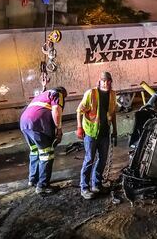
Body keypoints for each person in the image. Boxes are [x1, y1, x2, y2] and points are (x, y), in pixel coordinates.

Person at [77, 71, 118, 199]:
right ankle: (84, 188)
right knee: (89, 159)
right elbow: (79, 110)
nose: (106, 83)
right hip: (91, 133)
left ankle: (97, 184)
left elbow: (113, 114)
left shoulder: (112, 94)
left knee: (102, 159)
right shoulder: (91, 93)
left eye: (108, 81)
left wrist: (115, 131)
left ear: (111, 82)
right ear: (99, 81)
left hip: (105, 133)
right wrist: (79, 127)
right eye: (103, 81)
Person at [20, 86, 67, 194]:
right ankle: (42, 186)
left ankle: (33, 179)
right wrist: (59, 130)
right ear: (63, 94)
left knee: (35, 151)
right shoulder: (57, 94)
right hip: (37, 124)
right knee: (46, 155)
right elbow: (56, 110)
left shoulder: (43, 95)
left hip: (24, 123)